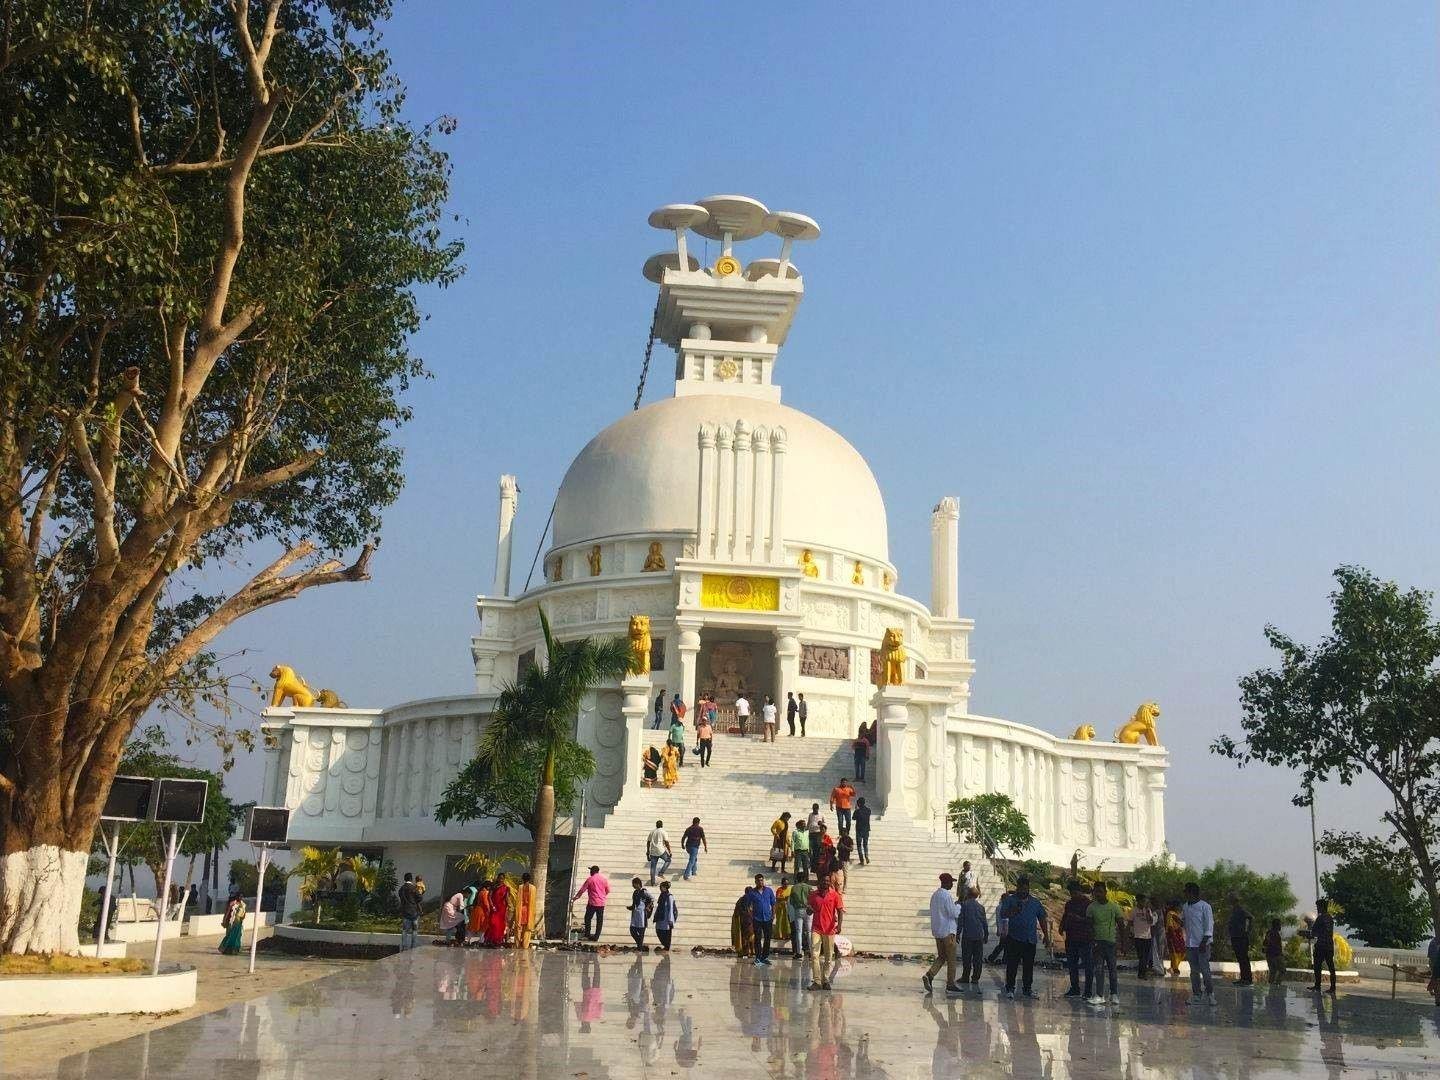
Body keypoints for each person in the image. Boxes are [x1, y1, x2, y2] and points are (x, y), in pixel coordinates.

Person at [999, 875, 1050, 999]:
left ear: (1028, 888)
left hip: (1030, 939)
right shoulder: (1010, 900)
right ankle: (1010, 988)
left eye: (1025, 888)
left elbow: (1042, 918)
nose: (1023, 891)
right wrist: (1013, 911)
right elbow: (1003, 914)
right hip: (1014, 938)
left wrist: (1046, 935)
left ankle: (1027, 989)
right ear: (1017, 888)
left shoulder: (1035, 902)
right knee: (1012, 965)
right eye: (1020, 888)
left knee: (1028, 966)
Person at [923, 872, 964, 995]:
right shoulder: (946, 896)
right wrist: (958, 906)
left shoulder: (935, 895)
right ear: (946, 883)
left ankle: (929, 975)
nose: (952, 884)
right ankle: (950, 984)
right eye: (951, 882)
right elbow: (953, 914)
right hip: (948, 932)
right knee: (951, 959)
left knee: (941, 957)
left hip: (938, 932)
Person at [1086, 881, 1124, 1005]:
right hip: (1097, 943)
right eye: (1095, 892)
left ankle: (1114, 994)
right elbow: (1089, 926)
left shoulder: (1114, 907)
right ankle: (1099, 995)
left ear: (1105, 892)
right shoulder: (1091, 907)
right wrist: (1092, 941)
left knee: (1112, 969)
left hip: (1111, 943)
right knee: (1099, 969)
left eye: (1100, 891)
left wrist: (1123, 943)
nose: (1098, 894)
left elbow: (1121, 925)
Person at [1182, 881, 1217, 1006]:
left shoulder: (1205, 907)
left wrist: (1204, 942)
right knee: (1194, 971)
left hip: (1202, 944)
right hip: (1190, 945)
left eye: (1186, 891)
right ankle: (1196, 994)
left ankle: (1210, 994)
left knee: (1205, 971)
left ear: (1192, 893)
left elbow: (1209, 926)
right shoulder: (1185, 906)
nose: (1184, 894)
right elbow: (1185, 923)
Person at [807, 876, 844, 990]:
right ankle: (817, 981)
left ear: (829, 882)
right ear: (820, 882)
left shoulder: (835, 895)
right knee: (814, 955)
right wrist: (809, 910)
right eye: (824, 880)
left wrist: (840, 925)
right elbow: (808, 911)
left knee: (828, 956)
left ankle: (826, 979)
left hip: (829, 929)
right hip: (816, 929)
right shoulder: (813, 895)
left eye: (828, 881)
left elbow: (840, 910)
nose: (826, 882)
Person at [1059, 880, 1094, 1000]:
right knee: (1072, 965)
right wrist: (1061, 926)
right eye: (1071, 893)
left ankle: (1088, 991)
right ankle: (1075, 988)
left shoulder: (1089, 904)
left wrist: (1078, 918)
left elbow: (1091, 921)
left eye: (1075, 892)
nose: (1073, 895)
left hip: (1085, 938)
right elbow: (1065, 915)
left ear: (1079, 891)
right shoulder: (1069, 904)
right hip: (1071, 938)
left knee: (1087, 965)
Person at [959, 886, 989, 991]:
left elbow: (961, 921)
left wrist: (958, 933)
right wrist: (986, 934)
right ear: (976, 896)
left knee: (966, 957)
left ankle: (965, 976)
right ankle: (975, 978)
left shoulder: (964, 905)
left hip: (968, 936)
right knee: (978, 958)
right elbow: (984, 922)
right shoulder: (981, 907)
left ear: (968, 894)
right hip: (978, 936)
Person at [573, 865, 609, 942]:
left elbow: (582, 889)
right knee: (599, 920)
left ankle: (587, 934)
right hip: (601, 903)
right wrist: (602, 896)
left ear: (592, 871)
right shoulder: (604, 879)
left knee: (587, 918)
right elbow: (608, 890)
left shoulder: (590, 879)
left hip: (592, 903)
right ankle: (596, 937)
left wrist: (576, 897)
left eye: (590, 871)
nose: (590, 872)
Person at [1310, 898, 1337, 994]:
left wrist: (1311, 934)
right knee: (1331, 967)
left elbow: (1314, 932)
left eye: (1318, 907)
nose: (1317, 909)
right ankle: (1333, 987)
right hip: (1329, 945)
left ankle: (1317, 986)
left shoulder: (1320, 918)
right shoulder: (1330, 918)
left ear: (1321, 907)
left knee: (1317, 966)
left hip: (1321, 945)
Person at [749, 874, 777, 965]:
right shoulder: (752, 893)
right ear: (755, 881)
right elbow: (749, 906)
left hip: (768, 918)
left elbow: (773, 904)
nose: (760, 882)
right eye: (758, 880)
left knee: (767, 938)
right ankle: (758, 957)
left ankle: (765, 957)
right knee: (757, 938)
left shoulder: (768, 891)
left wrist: (773, 915)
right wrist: (751, 916)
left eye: (762, 880)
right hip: (757, 919)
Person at [1228, 891, 1254, 986]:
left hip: (1241, 938)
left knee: (1243, 959)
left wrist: (1246, 931)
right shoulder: (1234, 910)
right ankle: (1243, 978)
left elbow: (1250, 917)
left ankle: (1247, 979)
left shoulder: (1240, 909)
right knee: (1240, 959)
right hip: (1235, 937)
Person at [1130, 895, 1156, 979]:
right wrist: (1130, 934)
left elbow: (1151, 922)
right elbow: (1130, 922)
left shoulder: (1148, 910)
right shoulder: (1133, 910)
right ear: (1139, 901)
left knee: (1146, 956)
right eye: (1143, 901)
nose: (1144, 903)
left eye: (1145, 901)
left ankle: (1142, 973)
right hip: (1138, 936)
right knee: (1141, 956)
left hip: (1147, 937)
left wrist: (1148, 912)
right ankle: (1142, 972)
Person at [788, 875, 813, 958]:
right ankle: (811, 951)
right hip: (808, 910)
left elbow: (791, 901)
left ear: (797, 879)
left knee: (799, 931)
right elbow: (813, 897)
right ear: (805, 879)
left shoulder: (794, 888)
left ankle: (799, 952)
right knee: (809, 931)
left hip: (798, 910)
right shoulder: (809, 887)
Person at [988, 888, 1013, 964]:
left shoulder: (1000, 906)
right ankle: (992, 957)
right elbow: (1003, 919)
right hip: (1005, 928)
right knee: (1002, 945)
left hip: (1003, 928)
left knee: (1005, 945)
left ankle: (1003, 959)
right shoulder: (1002, 907)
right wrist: (1002, 930)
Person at [398, 872, 422, 950]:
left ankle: (404, 946)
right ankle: (413, 946)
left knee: (405, 930)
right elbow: (419, 898)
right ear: (411, 879)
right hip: (414, 912)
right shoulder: (414, 888)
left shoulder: (401, 889)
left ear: (404, 879)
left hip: (405, 912)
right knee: (414, 930)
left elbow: (401, 899)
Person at [628, 877, 653, 949]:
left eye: (634, 884)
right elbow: (634, 903)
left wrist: (648, 907)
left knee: (641, 931)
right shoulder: (635, 892)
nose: (633, 886)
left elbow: (652, 899)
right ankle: (640, 945)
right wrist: (631, 907)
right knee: (632, 930)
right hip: (635, 914)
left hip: (642, 914)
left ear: (638, 884)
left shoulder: (644, 891)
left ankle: (640, 947)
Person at [218, 891, 247, 955]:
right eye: (239, 896)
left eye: (241, 896)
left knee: (237, 937)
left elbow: (244, 913)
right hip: (231, 923)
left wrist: (242, 920)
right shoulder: (232, 903)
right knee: (229, 936)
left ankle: (234, 950)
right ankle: (224, 949)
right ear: (236, 896)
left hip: (238, 923)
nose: (240, 897)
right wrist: (224, 920)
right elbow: (227, 912)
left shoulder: (243, 905)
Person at [487, 876, 512, 947]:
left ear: (504, 879)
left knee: (500, 925)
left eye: (502, 878)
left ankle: (497, 941)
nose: (501, 880)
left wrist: (510, 906)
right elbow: (489, 897)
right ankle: (490, 940)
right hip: (494, 908)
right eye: (499, 878)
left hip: (502, 908)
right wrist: (492, 906)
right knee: (493, 923)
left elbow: (506, 898)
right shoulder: (493, 887)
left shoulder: (506, 888)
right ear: (497, 878)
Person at [654, 881, 678, 952]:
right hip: (660, 917)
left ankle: (667, 947)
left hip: (667, 918)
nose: (660, 888)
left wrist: (671, 920)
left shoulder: (669, 896)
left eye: (661, 887)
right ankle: (665, 945)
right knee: (658, 931)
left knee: (667, 933)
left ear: (664, 887)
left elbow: (671, 908)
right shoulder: (662, 895)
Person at [515, 872, 537, 950]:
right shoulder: (533, 888)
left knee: (518, 929)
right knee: (527, 930)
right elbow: (533, 902)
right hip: (529, 910)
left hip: (521, 910)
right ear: (529, 879)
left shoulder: (520, 887)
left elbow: (518, 901)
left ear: (522, 879)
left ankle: (517, 945)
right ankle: (525, 946)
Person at [732, 887, 756, 957]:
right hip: (749, 920)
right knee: (750, 936)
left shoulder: (740, 900)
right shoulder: (752, 899)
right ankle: (751, 951)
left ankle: (745, 952)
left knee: (745, 936)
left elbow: (736, 913)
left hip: (742, 921)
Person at [1263, 917, 1285, 985]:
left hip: (1271, 955)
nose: (1280, 926)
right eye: (1280, 925)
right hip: (1274, 955)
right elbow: (1269, 943)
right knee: (1281, 970)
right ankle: (1276, 984)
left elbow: (1265, 943)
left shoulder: (1270, 932)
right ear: (1277, 925)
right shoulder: (1273, 933)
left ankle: (1272, 985)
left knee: (1273, 971)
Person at [791, 818, 812, 883]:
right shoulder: (795, 832)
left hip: (805, 851)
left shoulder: (807, 832)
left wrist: (809, 849)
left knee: (806, 866)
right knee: (797, 866)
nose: (804, 826)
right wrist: (792, 850)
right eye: (803, 824)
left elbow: (808, 841)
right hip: (798, 852)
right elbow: (793, 841)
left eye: (805, 824)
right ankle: (795, 880)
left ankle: (806, 879)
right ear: (799, 825)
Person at [775, 876, 793, 947]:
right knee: (780, 921)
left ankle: (787, 934)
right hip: (780, 907)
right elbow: (777, 897)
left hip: (787, 907)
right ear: (782, 884)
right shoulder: (779, 889)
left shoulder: (790, 889)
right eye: (785, 884)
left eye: (787, 884)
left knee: (787, 921)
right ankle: (779, 935)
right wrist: (784, 898)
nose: (786, 885)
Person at [853, 798, 872, 865]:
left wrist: (856, 809)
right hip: (866, 830)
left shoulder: (857, 811)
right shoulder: (868, 810)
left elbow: (853, 818)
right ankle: (866, 856)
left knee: (859, 845)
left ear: (859, 804)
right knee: (865, 845)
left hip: (859, 830)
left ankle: (862, 860)